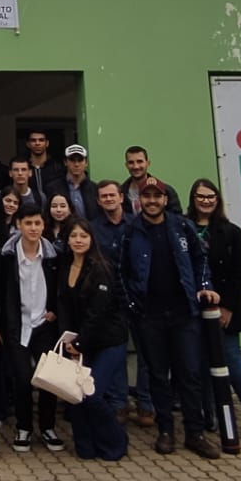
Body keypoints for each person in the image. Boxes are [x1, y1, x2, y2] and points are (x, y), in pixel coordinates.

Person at [115, 178, 222, 459]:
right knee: (158, 376)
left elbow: (201, 259)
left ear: (165, 200)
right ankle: (165, 431)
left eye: (157, 196)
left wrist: (205, 286)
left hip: (184, 314)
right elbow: (121, 271)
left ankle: (195, 433)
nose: (152, 201)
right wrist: (130, 303)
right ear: (140, 201)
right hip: (148, 316)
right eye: (147, 197)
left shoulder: (182, 227)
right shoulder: (131, 231)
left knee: (189, 374)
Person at [188, 179, 241, 444]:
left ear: (217, 199)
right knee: (200, 363)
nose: (206, 201)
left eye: (210, 196)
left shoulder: (231, 231)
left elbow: (240, 271)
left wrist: (227, 307)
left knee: (233, 363)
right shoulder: (184, 228)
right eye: (201, 196)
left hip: (224, 307)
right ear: (193, 199)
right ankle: (209, 413)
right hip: (194, 307)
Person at [0, 203, 64, 452]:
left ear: (43, 225)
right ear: (19, 225)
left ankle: (47, 427)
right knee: (22, 379)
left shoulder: (54, 256)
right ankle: (23, 427)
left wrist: (55, 311)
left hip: (44, 325)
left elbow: (61, 289)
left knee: (47, 379)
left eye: (37, 223)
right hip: (17, 325)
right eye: (28, 223)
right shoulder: (7, 256)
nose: (33, 228)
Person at [58, 215, 129, 461]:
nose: (78, 240)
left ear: (91, 239)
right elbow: (64, 308)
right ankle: (86, 446)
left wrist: (79, 344)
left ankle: (116, 442)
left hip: (108, 341)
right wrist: (68, 340)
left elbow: (97, 314)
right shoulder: (64, 268)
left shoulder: (101, 268)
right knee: (76, 395)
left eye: (83, 236)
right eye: (74, 236)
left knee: (92, 394)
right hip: (79, 342)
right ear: (67, 240)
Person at [90, 180, 135, 420]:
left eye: (112, 195)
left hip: (136, 295)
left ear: (121, 197)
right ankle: (117, 404)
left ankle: (145, 402)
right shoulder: (93, 228)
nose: (108, 199)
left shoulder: (136, 224)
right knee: (114, 350)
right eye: (104, 196)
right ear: (98, 201)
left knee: (145, 353)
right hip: (108, 299)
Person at [122, 146, 181, 213]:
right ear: (126, 165)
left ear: (148, 163)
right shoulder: (120, 193)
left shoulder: (166, 191)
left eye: (140, 161)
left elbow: (177, 217)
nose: (136, 166)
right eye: (131, 162)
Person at [23, 129, 67, 204]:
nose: (37, 143)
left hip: (54, 208)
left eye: (41, 140)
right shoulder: (22, 169)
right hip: (29, 208)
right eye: (33, 140)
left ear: (47, 143)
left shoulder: (57, 168)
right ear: (28, 144)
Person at [60, 145, 97, 220]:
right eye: (72, 160)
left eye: (80, 160)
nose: (76, 164)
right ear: (65, 162)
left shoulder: (95, 188)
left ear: (86, 163)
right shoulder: (53, 187)